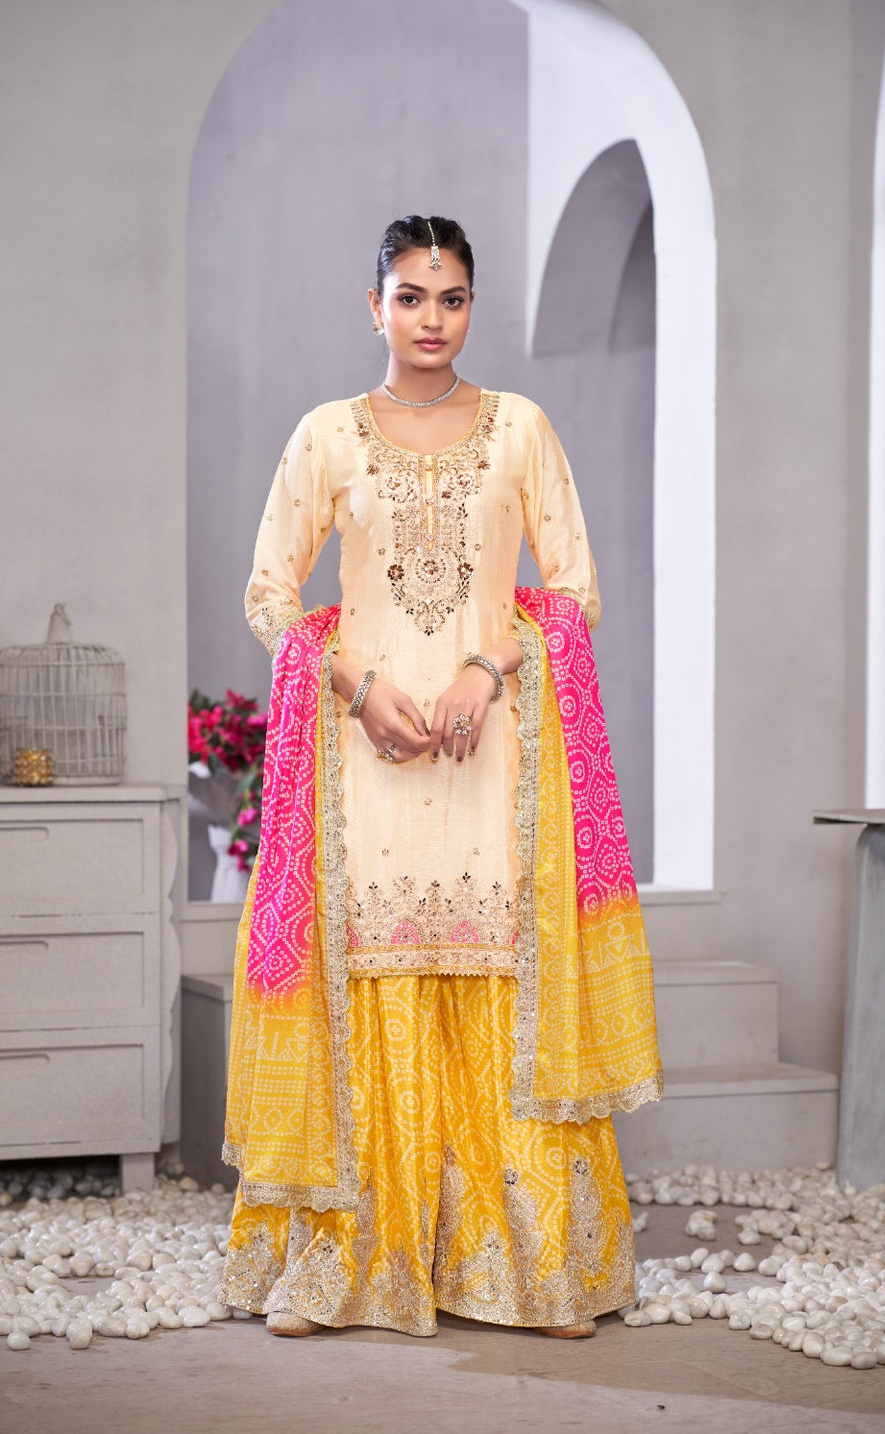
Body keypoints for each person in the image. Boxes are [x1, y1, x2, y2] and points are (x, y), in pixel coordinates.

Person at [219, 215, 662, 1340]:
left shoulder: (520, 429)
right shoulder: (326, 435)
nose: (431, 319)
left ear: (473, 306)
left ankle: (529, 1268)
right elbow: (270, 592)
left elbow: (576, 589)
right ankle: (354, 1260)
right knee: (370, 983)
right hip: (362, 767)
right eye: (410, 297)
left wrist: (488, 663)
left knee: (499, 984)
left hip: (491, 762)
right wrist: (355, 688)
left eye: (451, 298)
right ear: (373, 306)